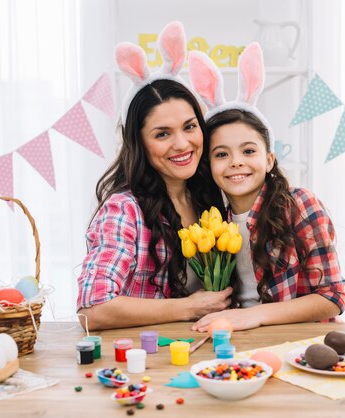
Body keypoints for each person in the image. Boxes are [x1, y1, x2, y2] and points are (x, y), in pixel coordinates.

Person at [76, 22, 232, 330]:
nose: (182, 144)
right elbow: (92, 310)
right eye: (163, 134)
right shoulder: (124, 209)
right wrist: (188, 307)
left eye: (189, 126)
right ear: (139, 143)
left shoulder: (212, 195)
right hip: (145, 358)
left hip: (204, 353)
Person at [187, 43, 345, 332]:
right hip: (236, 335)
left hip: (298, 340)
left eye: (249, 151)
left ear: (269, 159)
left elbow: (332, 297)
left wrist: (255, 315)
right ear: (208, 165)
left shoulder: (300, 205)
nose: (236, 163)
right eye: (221, 154)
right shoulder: (211, 221)